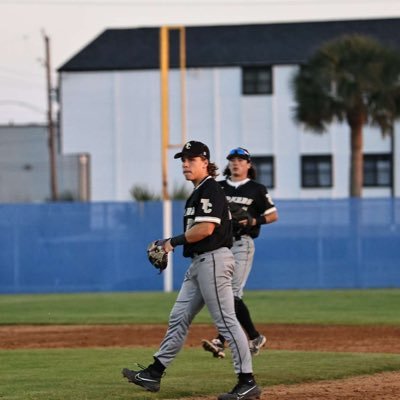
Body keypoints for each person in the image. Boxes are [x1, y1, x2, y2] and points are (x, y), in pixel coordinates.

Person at [122, 141, 261, 400]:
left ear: (205, 162)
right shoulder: (198, 192)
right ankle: (154, 373)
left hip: (214, 261)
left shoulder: (210, 189)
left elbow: (205, 230)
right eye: (183, 159)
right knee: (179, 317)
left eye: (191, 159)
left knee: (226, 321)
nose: (185, 164)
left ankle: (247, 381)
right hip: (199, 263)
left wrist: (171, 243)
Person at [202, 147, 278, 359]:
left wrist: (255, 220)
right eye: (232, 160)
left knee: (232, 293)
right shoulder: (219, 187)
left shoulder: (256, 189)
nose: (235, 163)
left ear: (248, 165)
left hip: (242, 243)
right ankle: (250, 337)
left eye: (240, 160)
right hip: (220, 244)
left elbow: (273, 215)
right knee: (224, 292)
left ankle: (222, 339)